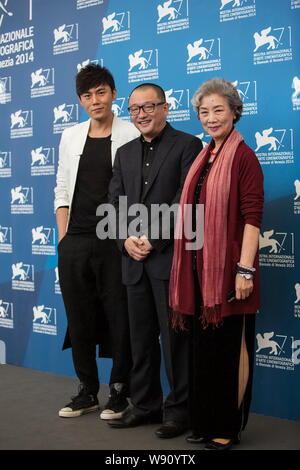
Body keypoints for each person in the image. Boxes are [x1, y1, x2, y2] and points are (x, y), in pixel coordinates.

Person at [169, 78, 264, 450]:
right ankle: (205, 422)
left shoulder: (244, 156)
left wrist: (245, 270)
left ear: (234, 112)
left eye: (218, 110)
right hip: (198, 274)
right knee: (203, 354)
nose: (210, 117)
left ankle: (227, 427)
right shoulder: (203, 156)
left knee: (229, 350)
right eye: (203, 111)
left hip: (229, 274)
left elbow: (252, 217)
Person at [107, 83, 203, 438]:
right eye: (135, 109)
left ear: (165, 107)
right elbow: (114, 202)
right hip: (133, 262)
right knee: (140, 339)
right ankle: (145, 406)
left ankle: (181, 411)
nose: (142, 114)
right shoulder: (125, 152)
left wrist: (154, 238)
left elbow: (185, 199)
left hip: (170, 261)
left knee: (175, 340)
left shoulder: (188, 145)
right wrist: (124, 240)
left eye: (149, 106)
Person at [54, 64, 139, 419]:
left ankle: (119, 391)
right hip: (75, 241)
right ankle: (87, 391)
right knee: (79, 318)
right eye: (87, 96)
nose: (95, 100)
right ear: (80, 100)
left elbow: (140, 190)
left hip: (114, 241)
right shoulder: (70, 135)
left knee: (120, 318)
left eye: (101, 92)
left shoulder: (132, 131)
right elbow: (61, 187)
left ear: (113, 94)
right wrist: (63, 238)